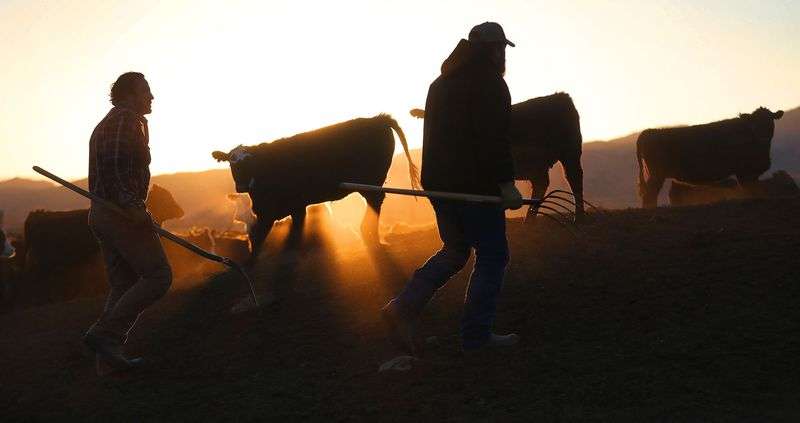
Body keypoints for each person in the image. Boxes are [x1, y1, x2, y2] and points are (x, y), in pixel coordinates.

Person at [383, 22, 523, 354]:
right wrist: (506, 184)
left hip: (440, 185)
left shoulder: (440, 83)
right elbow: (494, 140)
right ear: (492, 50)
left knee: (456, 249)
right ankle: (476, 337)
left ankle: (402, 307)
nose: (503, 55)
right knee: (493, 255)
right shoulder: (490, 83)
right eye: (500, 48)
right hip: (475, 188)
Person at [83, 72, 172, 375]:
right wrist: (133, 206)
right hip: (119, 212)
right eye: (145, 90)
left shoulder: (111, 122)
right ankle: (105, 334)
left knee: (124, 284)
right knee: (158, 275)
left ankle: (106, 362)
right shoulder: (124, 119)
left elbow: (112, 168)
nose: (151, 96)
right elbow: (116, 168)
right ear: (128, 94)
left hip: (102, 213)